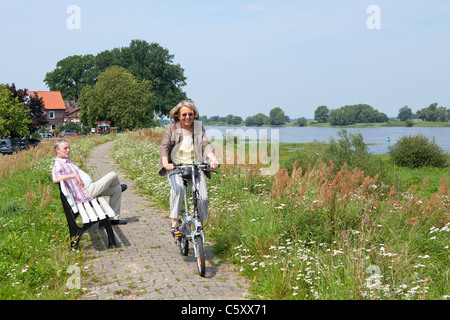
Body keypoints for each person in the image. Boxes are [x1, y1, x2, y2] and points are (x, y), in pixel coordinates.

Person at [159, 100, 219, 237]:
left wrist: (213, 159)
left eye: (190, 114)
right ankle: (174, 222)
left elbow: (206, 145)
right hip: (175, 166)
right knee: (178, 189)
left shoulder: (198, 127)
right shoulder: (171, 128)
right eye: (184, 114)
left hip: (194, 166)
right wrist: (166, 163)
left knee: (203, 197)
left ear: (194, 114)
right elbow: (165, 147)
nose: (187, 117)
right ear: (178, 116)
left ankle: (199, 222)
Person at [52, 139, 128, 225]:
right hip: (87, 191)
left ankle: (113, 219)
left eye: (69, 148)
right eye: (65, 148)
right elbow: (56, 179)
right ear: (57, 150)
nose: (68, 150)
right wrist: (74, 175)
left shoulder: (66, 161)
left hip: (90, 187)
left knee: (117, 190)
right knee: (113, 175)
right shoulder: (58, 164)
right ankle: (117, 185)